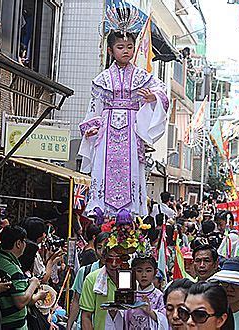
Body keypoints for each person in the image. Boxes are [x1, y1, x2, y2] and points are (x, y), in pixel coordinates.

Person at [78, 24, 169, 218]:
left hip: (131, 133)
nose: (125, 51)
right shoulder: (101, 79)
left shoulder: (142, 77)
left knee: (133, 170)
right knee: (102, 169)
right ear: (110, 51)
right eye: (120, 47)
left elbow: (161, 91)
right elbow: (94, 107)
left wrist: (154, 97)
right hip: (107, 131)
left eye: (129, 46)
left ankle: (131, 215)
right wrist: (92, 128)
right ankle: (101, 212)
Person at [79, 210, 149, 329]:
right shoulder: (92, 280)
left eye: (120, 259)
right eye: (110, 259)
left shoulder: (133, 278)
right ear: (103, 258)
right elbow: (86, 316)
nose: (114, 264)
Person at [0, 225, 47, 329]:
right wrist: (33, 283)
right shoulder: (14, 270)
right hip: (13, 324)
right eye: (24, 241)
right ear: (18, 243)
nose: (25, 245)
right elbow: (21, 302)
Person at [67, 232, 109, 330]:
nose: (102, 252)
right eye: (99, 248)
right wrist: (69, 324)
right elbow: (76, 300)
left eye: (106, 248)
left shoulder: (118, 274)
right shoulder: (85, 271)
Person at [125, 254, 168, 329]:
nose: (144, 275)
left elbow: (165, 320)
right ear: (133, 272)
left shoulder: (159, 295)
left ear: (155, 272)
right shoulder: (130, 294)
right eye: (139, 271)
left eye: (148, 271)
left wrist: (150, 312)